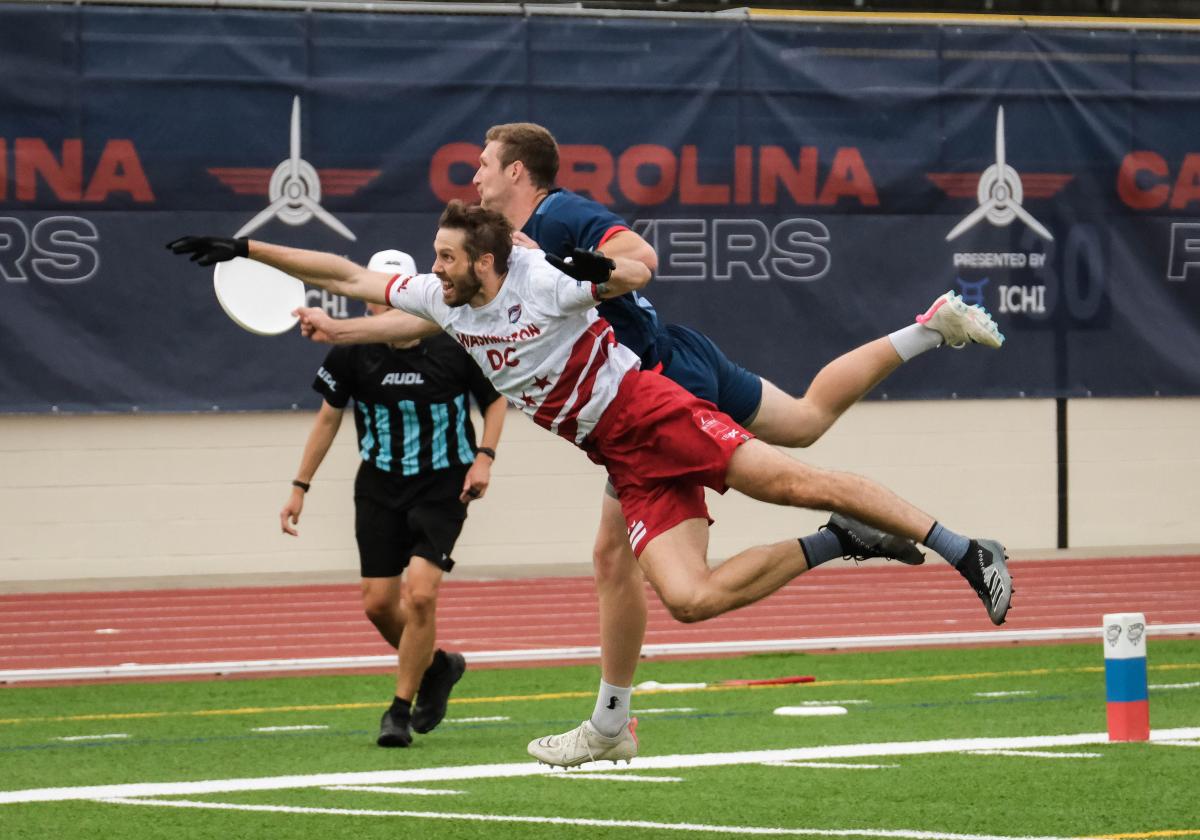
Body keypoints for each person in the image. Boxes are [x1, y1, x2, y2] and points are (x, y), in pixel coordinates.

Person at [167, 201, 1013, 765]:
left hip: (654, 412)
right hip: (621, 456)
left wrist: (597, 269)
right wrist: (248, 248)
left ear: (485, 260)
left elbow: (635, 274)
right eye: (435, 257)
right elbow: (350, 274)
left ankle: (964, 548)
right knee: (689, 599)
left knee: (796, 474)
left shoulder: (540, 279)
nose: (434, 267)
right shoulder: (446, 297)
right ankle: (840, 542)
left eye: (447, 256)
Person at [278, 248, 507, 748]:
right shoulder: (352, 350)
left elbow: (495, 400)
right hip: (379, 485)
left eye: (393, 295)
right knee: (379, 604)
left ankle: (399, 710)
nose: (382, 305)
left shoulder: (453, 343)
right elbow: (328, 418)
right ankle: (437, 667)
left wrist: (484, 457)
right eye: (377, 296)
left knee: (420, 594)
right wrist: (300, 486)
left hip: (443, 483)